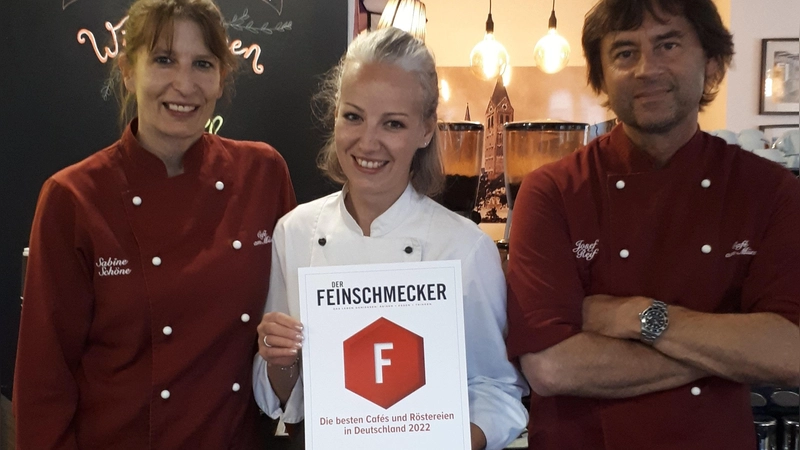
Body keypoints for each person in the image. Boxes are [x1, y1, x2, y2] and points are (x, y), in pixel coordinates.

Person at [505, 0, 800, 448]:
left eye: (668, 44)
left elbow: (789, 350)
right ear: (601, 77)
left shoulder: (770, 190)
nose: (647, 68)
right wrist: (730, 347)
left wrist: (637, 316)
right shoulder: (552, 192)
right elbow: (552, 366)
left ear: (713, 65)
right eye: (625, 52)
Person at [13, 0, 296, 448]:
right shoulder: (73, 198)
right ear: (127, 70)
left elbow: (291, 332)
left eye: (202, 63)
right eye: (164, 60)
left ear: (221, 77)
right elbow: (44, 383)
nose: (183, 84)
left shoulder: (263, 174)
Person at [252, 27, 528, 450]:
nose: (368, 141)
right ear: (335, 116)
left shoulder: (464, 247)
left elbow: (496, 390)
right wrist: (279, 359)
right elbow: (286, 399)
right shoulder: (295, 232)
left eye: (393, 123)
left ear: (425, 131)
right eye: (353, 116)